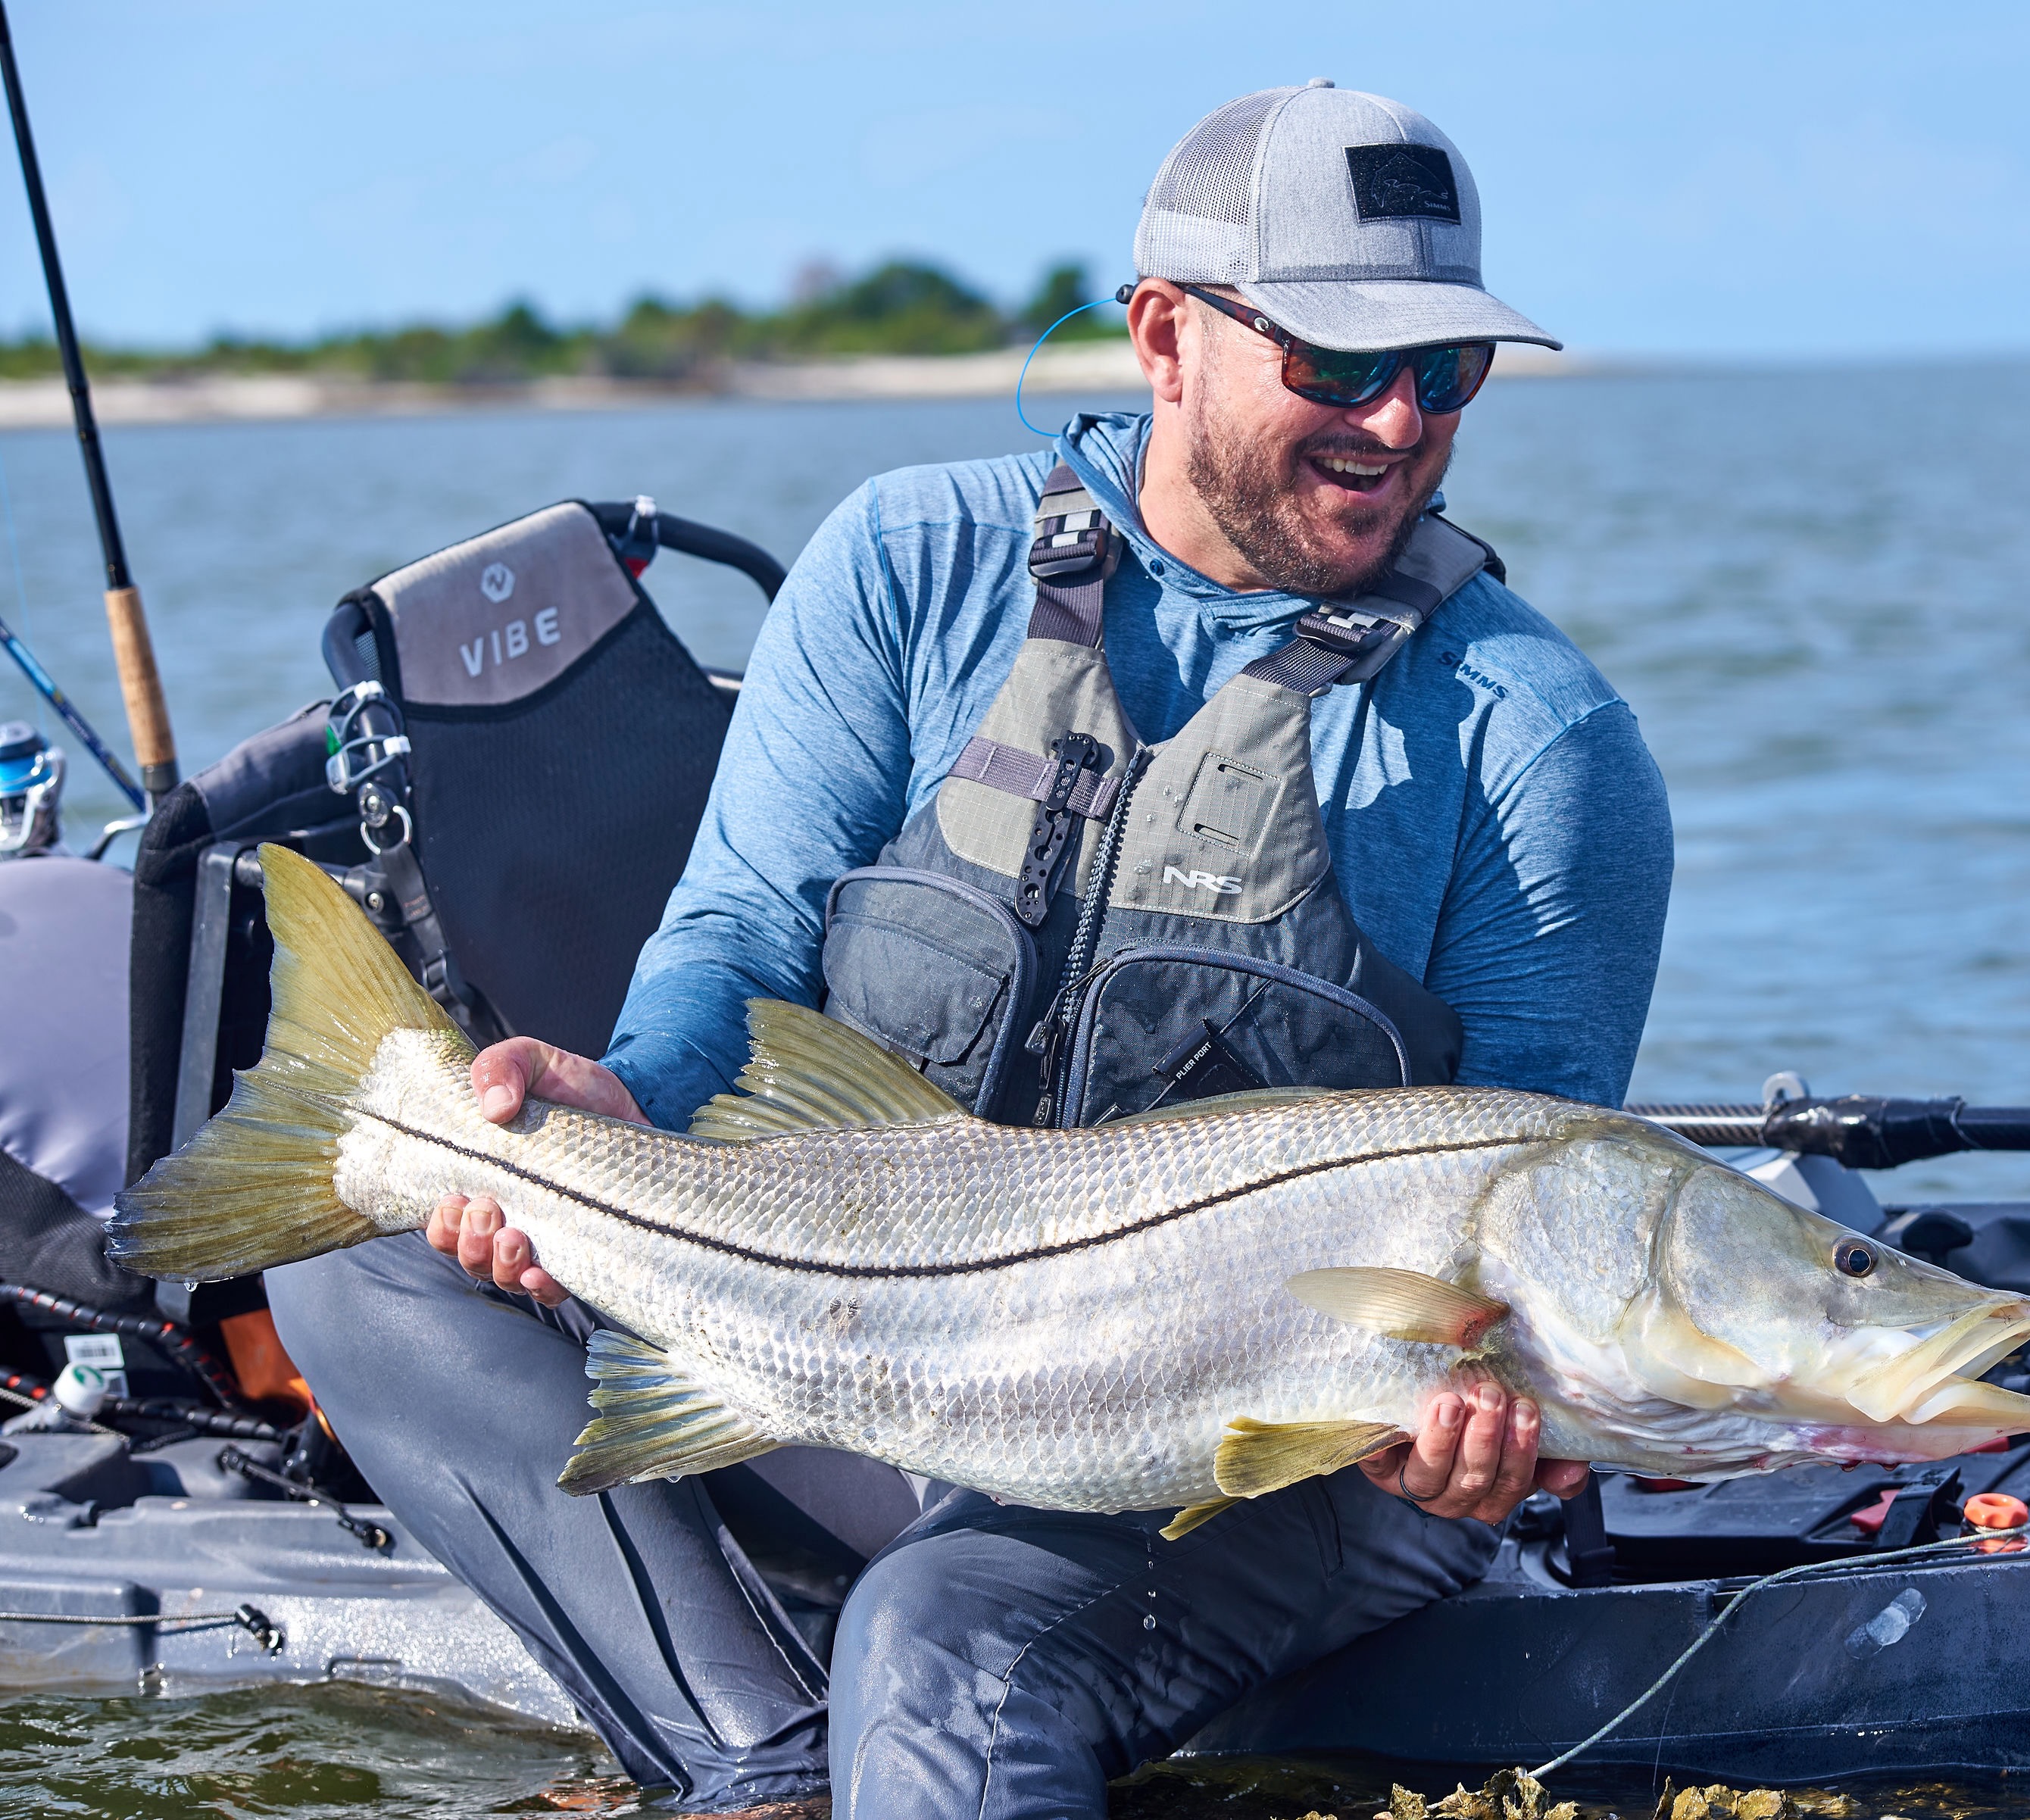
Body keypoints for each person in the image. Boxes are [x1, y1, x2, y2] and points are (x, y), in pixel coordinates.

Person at [269, 80, 1672, 1818]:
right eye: (1335, 363)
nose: (1398, 419)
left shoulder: (1539, 740)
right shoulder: (908, 561)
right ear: (1166, 333)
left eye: (1444, 371)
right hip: (865, 1335)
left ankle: (903, 1702)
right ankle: (766, 1761)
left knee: (945, 1640)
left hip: (1264, 1458)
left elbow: (1535, 1194)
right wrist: (615, 1092)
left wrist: (1487, 1432)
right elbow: (743, 930)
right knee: (364, 1235)